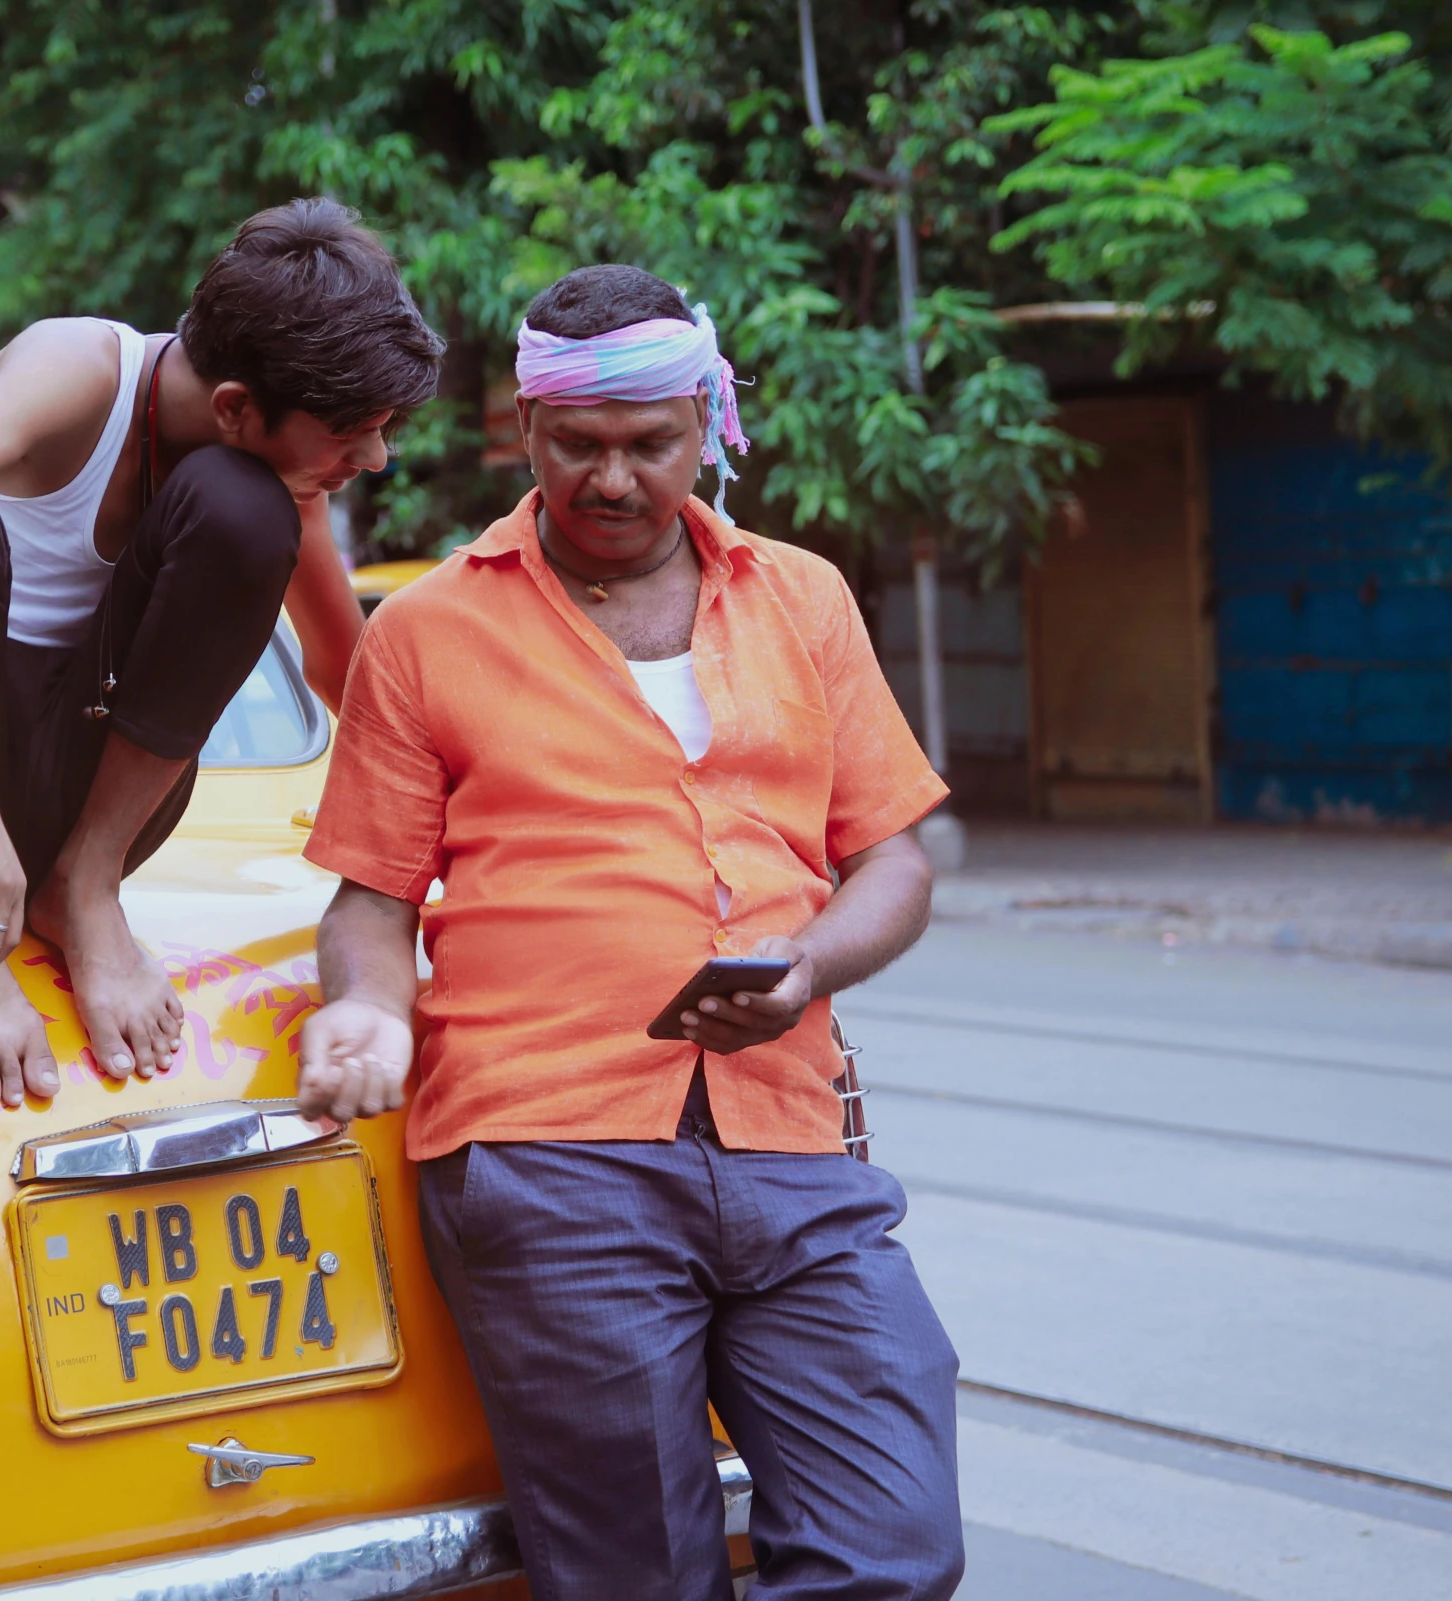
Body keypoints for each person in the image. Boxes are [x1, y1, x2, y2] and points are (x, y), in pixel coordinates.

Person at [295, 264, 964, 1600]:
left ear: (709, 423)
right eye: (578, 447)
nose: (612, 481)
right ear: (525, 435)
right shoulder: (425, 631)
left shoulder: (803, 599)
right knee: (634, 1575)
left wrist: (807, 966)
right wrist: (367, 1006)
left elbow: (893, 856)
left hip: (789, 1138)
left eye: (649, 445)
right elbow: (371, 899)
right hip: (547, 1160)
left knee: (893, 1545)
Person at [0, 198, 444, 1111]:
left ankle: (81, 888)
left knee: (247, 510)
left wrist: (479, 825)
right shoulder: (78, 368)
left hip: (91, 799)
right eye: (353, 434)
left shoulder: (275, 477)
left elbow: (343, 670)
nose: (378, 458)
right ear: (235, 405)